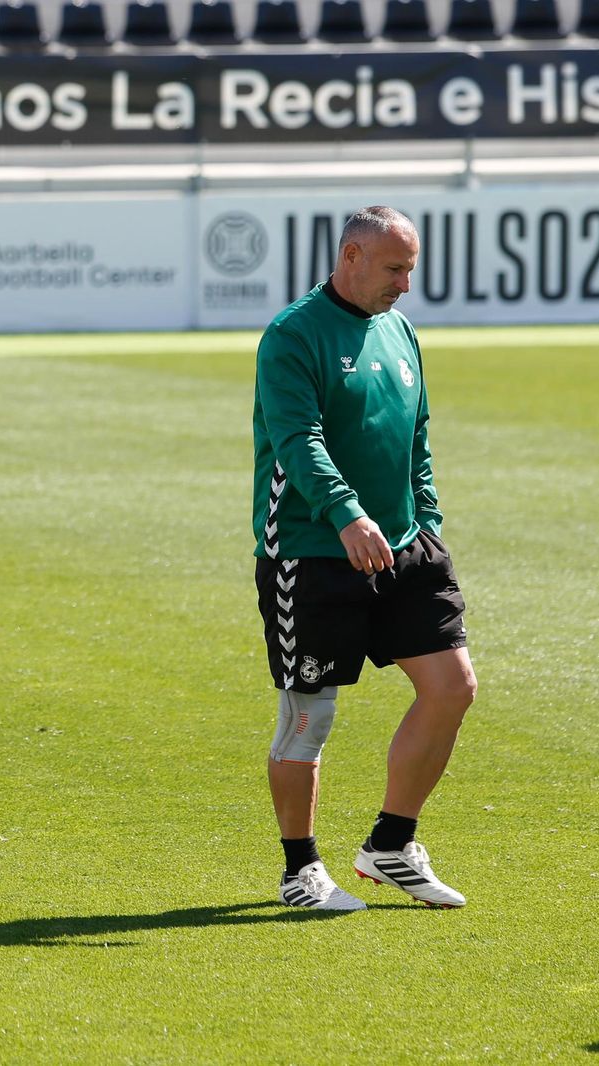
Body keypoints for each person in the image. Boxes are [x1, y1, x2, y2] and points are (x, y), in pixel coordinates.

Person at [253, 205, 477, 912]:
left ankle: (391, 843)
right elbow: (298, 439)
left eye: (410, 267)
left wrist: (428, 523)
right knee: (309, 716)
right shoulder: (294, 335)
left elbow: (418, 437)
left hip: (406, 547)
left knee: (452, 686)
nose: (406, 282)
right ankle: (300, 870)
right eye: (394, 267)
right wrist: (347, 513)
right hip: (313, 553)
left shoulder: (400, 330)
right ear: (350, 256)